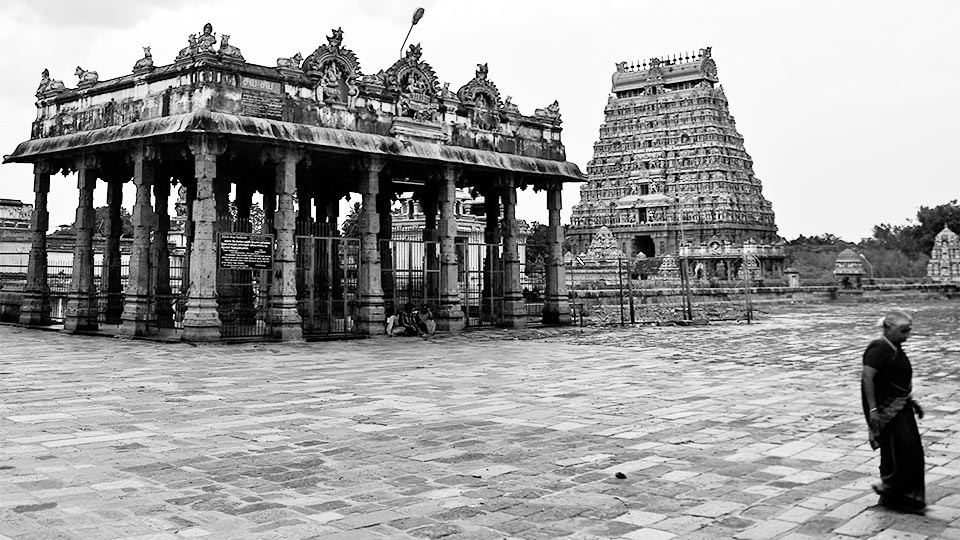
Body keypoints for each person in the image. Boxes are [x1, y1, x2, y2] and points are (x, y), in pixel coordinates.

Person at [861, 309, 926, 514]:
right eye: (903, 330)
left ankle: (903, 496)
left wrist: (912, 402)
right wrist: (872, 410)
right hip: (886, 409)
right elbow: (867, 379)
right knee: (898, 451)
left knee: (908, 451)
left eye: (909, 330)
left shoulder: (895, 346)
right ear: (888, 329)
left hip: (901, 406)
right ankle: (892, 494)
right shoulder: (879, 347)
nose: (907, 335)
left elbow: (896, 380)